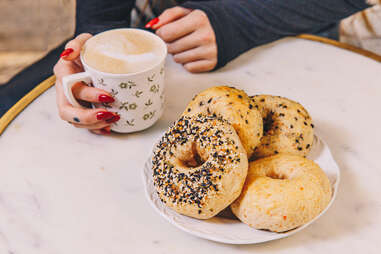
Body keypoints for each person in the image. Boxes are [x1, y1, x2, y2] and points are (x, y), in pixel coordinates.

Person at [0, 0, 375, 134]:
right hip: (161, 20)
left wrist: (241, 21)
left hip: (305, 19)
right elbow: (104, 25)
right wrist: (98, 35)